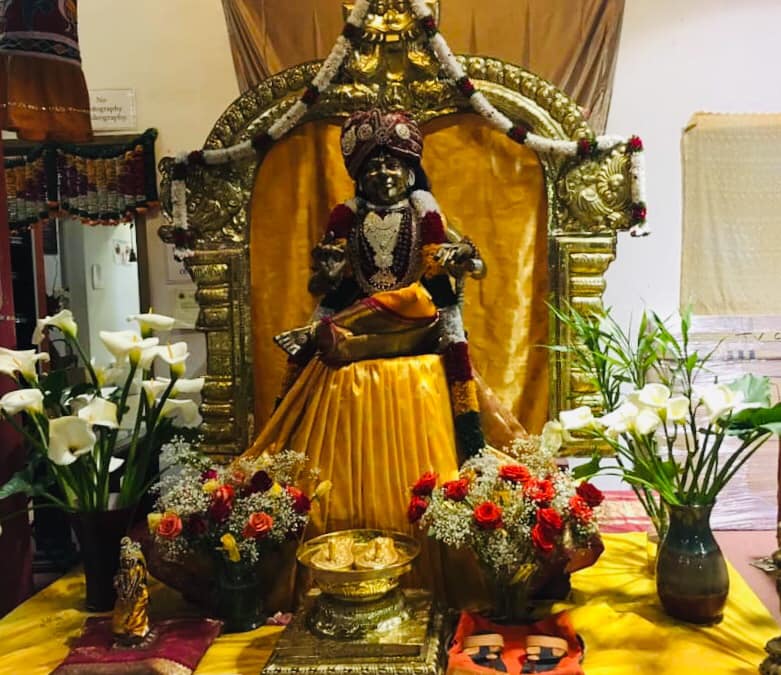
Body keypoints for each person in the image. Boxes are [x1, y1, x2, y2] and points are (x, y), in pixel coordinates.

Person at [243, 109, 515, 606]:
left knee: (417, 302)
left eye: (392, 165)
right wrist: (326, 274)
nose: (383, 174)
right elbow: (321, 283)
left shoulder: (427, 216)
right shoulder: (347, 221)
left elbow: (476, 265)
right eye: (372, 167)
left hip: (418, 325)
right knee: (347, 330)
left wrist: (463, 259)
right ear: (359, 175)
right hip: (366, 323)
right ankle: (339, 340)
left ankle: (338, 340)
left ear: (410, 172)